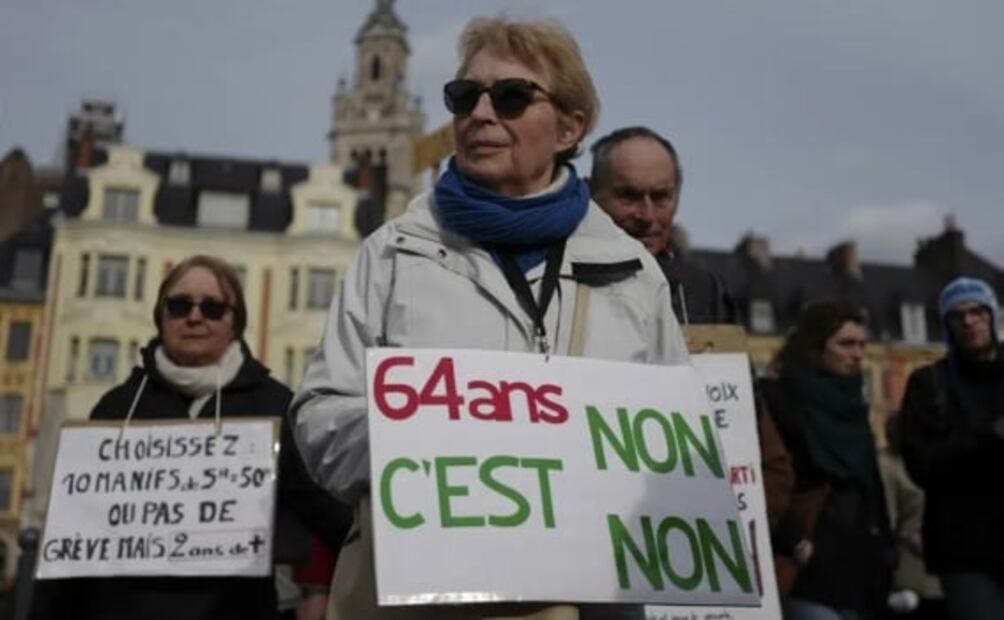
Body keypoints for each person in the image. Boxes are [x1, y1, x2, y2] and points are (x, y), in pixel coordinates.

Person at [290, 15, 689, 620]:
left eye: (509, 97)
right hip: (421, 598)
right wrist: (410, 443)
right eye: (463, 96)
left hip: (587, 600)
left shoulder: (633, 273)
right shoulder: (392, 253)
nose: (479, 113)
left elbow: (677, 448)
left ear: (569, 128)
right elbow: (320, 416)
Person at [32, 255, 352, 620]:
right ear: (161, 316)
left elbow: (325, 508)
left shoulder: (274, 406)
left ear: (235, 322)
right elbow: (72, 530)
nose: (195, 317)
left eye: (213, 308)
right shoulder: (116, 409)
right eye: (180, 305)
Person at [759, 299, 892, 619]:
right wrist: (794, 539)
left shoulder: (853, 407)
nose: (858, 354)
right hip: (805, 564)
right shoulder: (777, 397)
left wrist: (887, 552)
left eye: (862, 345)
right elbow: (768, 474)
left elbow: (870, 485)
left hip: (858, 567)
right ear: (816, 347)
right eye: (846, 344)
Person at [900, 277, 1004, 620]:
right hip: (964, 548)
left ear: (992, 316)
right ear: (947, 325)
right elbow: (920, 465)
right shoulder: (929, 384)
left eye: (977, 312)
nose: (970, 321)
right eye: (958, 316)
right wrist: (986, 438)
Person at [589, 126, 735, 325]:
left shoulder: (708, 292)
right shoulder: (555, 279)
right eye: (629, 196)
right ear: (592, 195)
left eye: (660, 197)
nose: (647, 216)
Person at [878, 415, 944, 620]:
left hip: (946, 579)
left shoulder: (939, 458)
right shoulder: (889, 464)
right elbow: (886, 522)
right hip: (911, 582)